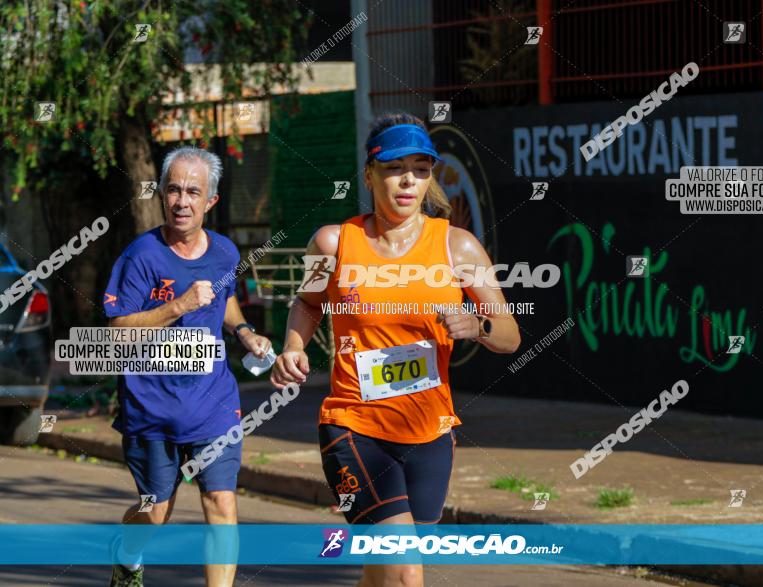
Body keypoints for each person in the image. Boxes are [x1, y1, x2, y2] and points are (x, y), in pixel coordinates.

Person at [270, 112, 521, 587]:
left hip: (430, 431)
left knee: (382, 573)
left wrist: (478, 323)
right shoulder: (333, 242)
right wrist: (293, 346)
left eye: (421, 169)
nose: (409, 181)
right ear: (369, 173)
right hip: (353, 426)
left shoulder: (458, 248)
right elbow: (306, 304)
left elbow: (510, 335)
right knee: (406, 573)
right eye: (394, 167)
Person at [103, 147, 271, 587]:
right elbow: (118, 330)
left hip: (213, 403)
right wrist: (178, 305)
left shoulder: (224, 253)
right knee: (154, 512)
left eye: (193, 192)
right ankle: (127, 554)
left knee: (221, 502)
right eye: (174, 189)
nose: (182, 201)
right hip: (151, 405)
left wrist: (244, 331)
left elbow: (226, 299)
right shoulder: (141, 256)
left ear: (210, 201)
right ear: (162, 194)